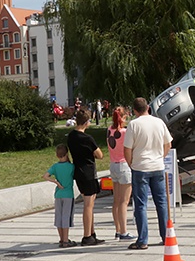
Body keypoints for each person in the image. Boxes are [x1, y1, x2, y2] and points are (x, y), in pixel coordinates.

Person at [123, 97, 173, 250]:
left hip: (140, 167)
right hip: (157, 166)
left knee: (141, 204)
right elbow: (168, 144)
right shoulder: (159, 122)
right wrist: (160, 157)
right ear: (148, 108)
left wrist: (132, 164)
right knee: (161, 202)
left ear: (135, 110)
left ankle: (143, 239)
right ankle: (166, 236)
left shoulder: (133, 124)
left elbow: (127, 149)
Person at [67, 110, 105, 246]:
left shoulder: (71, 136)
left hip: (78, 172)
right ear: (87, 122)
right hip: (89, 173)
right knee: (88, 206)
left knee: (89, 204)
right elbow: (100, 155)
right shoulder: (88, 139)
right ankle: (87, 236)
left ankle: (92, 233)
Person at [107, 106, 134, 241]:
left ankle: (117, 229)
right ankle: (124, 231)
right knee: (124, 201)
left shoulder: (109, 130)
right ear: (123, 118)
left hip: (113, 165)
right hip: (124, 165)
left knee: (116, 201)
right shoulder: (125, 131)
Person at [44, 144, 76, 247]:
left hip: (58, 194)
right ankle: (66, 240)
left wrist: (56, 182)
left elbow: (45, 176)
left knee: (59, 216)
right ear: (67, 154)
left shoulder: (55, 166)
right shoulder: (71, 167)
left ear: (57, 155)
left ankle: (61, 239)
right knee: (66, 217)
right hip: (68, 194)